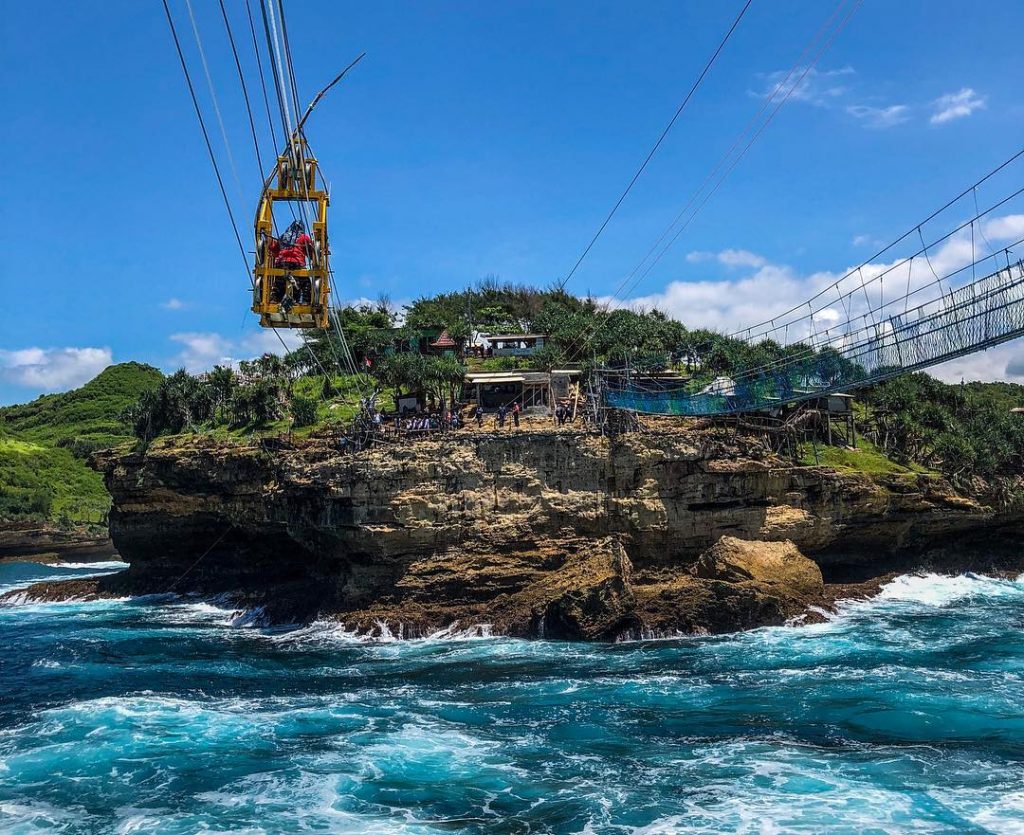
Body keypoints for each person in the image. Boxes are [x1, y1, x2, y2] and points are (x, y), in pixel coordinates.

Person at [266, 221, 315, 310]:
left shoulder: (283, 236)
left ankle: (274, 300)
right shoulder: (304, 237)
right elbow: (311, 252)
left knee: (279, 284)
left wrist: (268, 243)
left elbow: (275, 251)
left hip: (281, 264)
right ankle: (305, 302)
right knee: (305, 284)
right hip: (296, 264)